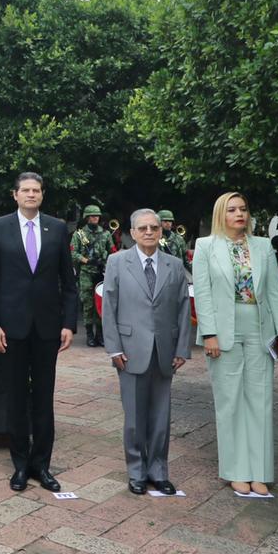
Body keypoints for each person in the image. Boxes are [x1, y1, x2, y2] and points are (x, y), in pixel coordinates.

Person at [0, 173, 77, 492]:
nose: (31, 194)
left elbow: (69, 282)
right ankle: (20, 465)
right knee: (17, 398)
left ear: (42, 195)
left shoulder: (58, 228)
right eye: (26, 190)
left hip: (48, 328)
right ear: (15, 195)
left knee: (44, 398)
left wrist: (68, 323)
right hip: (11, 328)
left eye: (36, 190)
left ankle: (41, 466)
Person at [193, 193, 278, 495]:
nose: (239, 214)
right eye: (232, 210)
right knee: (230, 400)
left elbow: (275, 292)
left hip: (260, 328)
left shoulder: (263, 246)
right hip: (223, 330)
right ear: (220, 215)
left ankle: (259, 472)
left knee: (260, 399)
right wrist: (209, 333)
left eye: (243, 209)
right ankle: (236, 470)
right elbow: (203, 291)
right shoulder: (205, 246)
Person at [102, 209, 192, 495]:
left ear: (161, 231)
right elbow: (109, 308)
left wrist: (182, 348)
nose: (150, 232)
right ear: (132, 231)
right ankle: (137, 471)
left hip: (165, 349)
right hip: (129, 350)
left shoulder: (175, 264)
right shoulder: (117, 262)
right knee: (135, 416)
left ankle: (158, 470)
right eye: (143, 228)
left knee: (161, 415)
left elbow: (183, 308)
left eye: (155, 227)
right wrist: (113, 347)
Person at [70, 205, 112, 347]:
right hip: (86, 273)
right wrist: (87, 260)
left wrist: (104, 261)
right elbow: (73, 253)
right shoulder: (79, 234)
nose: (95, 218)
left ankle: (100, 335)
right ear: (87, 217)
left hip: (102, 273)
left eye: (97, 216)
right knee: (88, 304)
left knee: (101, 304)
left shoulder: (105, 234)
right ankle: (89, 335)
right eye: (92, 216)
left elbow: (112, 251)